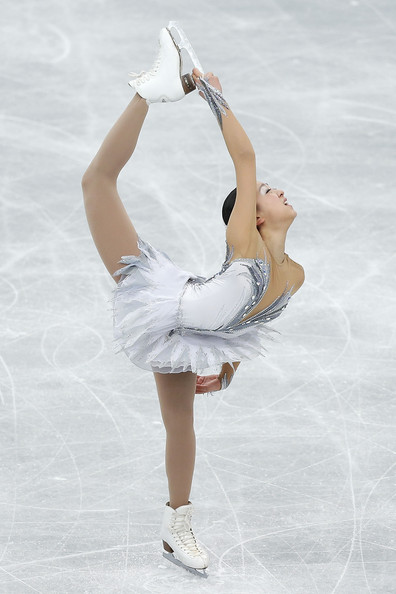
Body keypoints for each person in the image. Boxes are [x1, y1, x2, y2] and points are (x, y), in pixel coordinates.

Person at [81, 22, 304, 578]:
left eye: (273, 189)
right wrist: (211, 93)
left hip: (189, 334)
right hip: (158, 299)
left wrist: (226, 369)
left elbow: (241, 325)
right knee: (96, 182)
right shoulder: (245, 242)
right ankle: (148, 92)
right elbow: (245, 159)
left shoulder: (293, 275)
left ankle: (176, 527)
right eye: (266, 192)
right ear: (249, 216)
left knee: (180, 426)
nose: (277, 190)